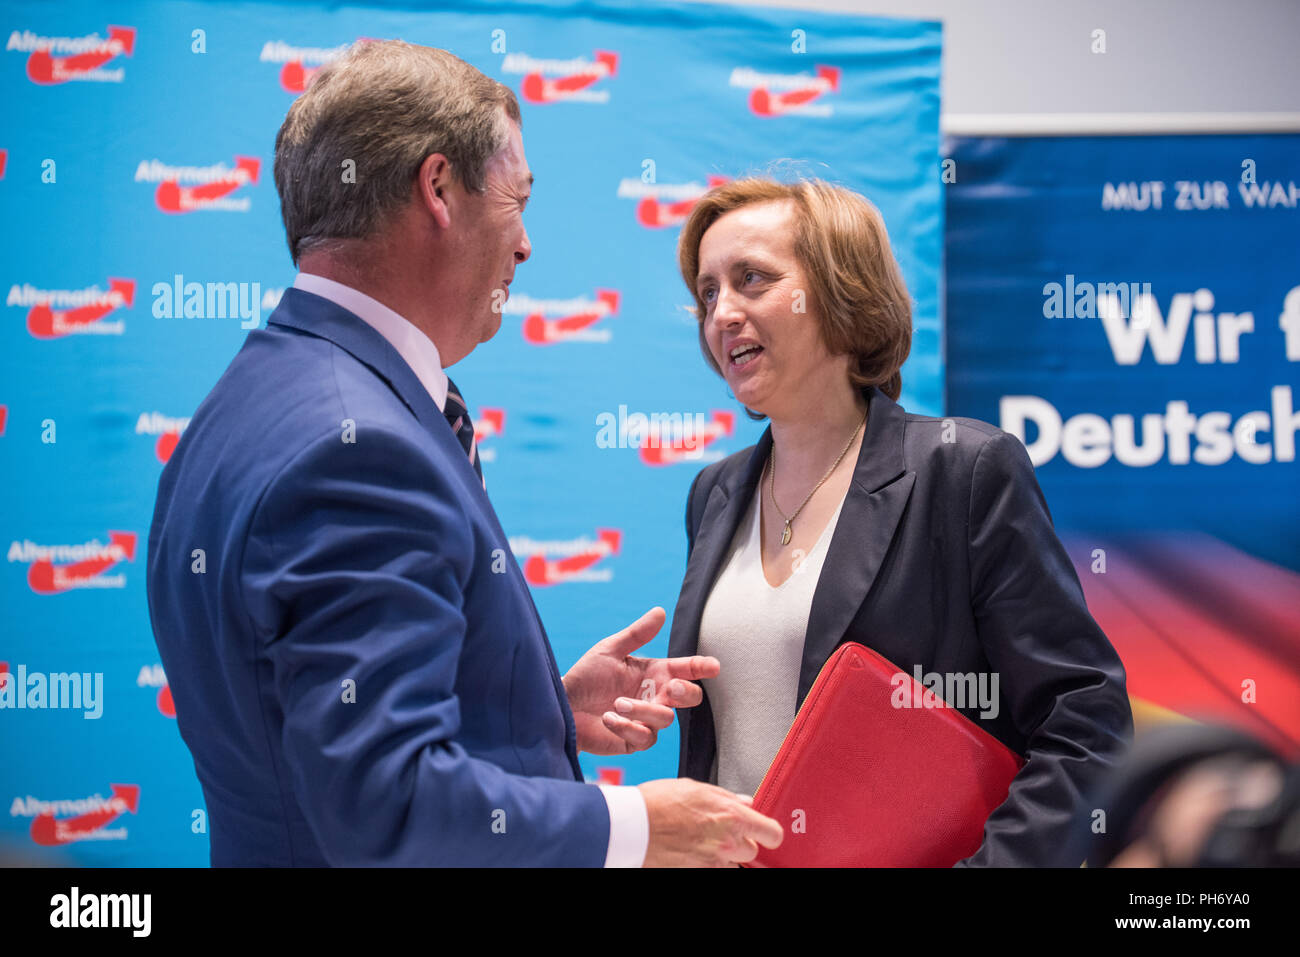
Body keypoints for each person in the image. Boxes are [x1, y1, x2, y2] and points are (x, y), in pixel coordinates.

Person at [146, 40, 782, 867]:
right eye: (517, 200)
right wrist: (635, 827)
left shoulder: (248, 400)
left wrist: (532, 712)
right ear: (438, 188)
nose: (525, 248)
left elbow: (312, 728)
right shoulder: (358, 450)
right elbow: (387, 805)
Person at [667, 176, 1134, 866]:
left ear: (838, 290)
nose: (721, 313)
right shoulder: (714, 491)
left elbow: (1085, 725)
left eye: (751, 280)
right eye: (708, 293)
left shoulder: (965, 470)